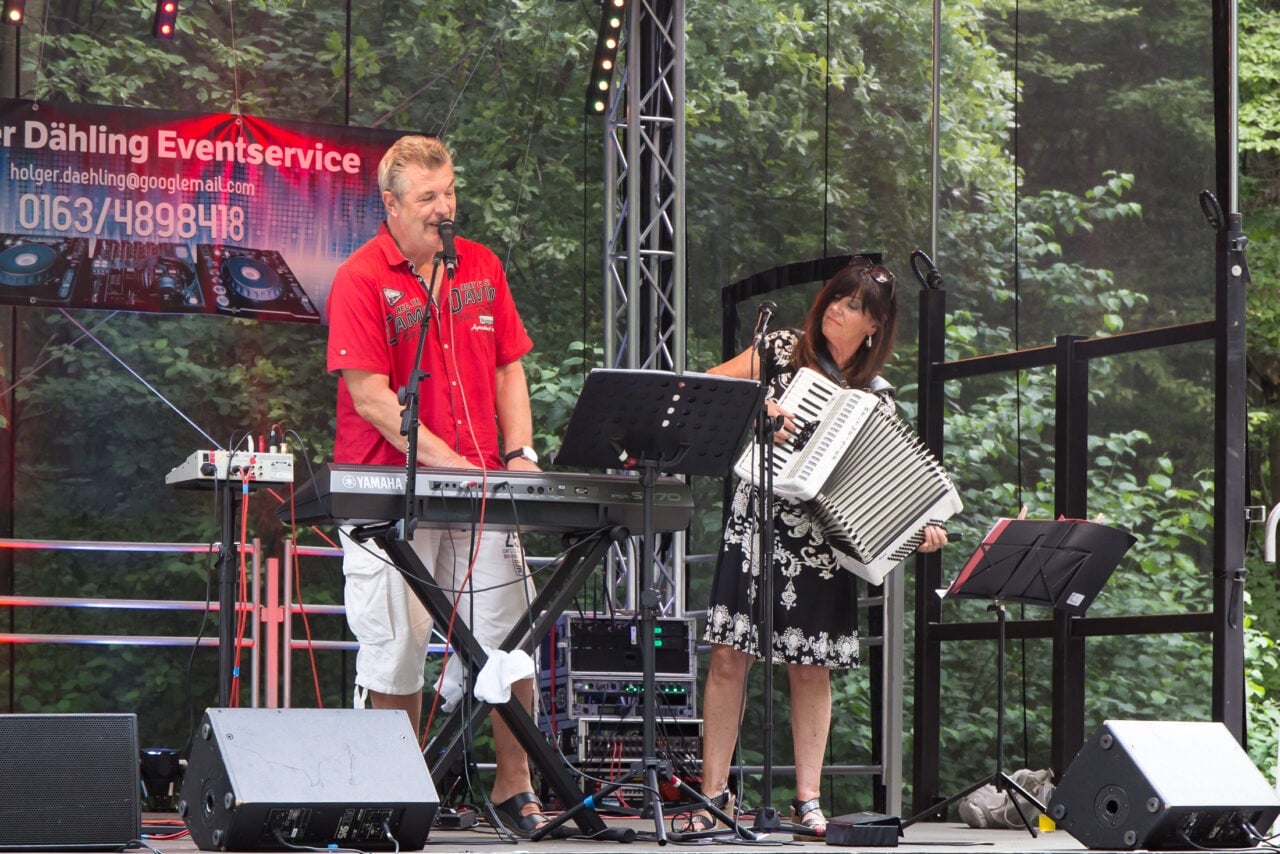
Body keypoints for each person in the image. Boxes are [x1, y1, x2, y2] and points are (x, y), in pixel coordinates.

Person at [325, 134, 549, 837]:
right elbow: (371, 399)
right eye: (428, 198)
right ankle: (395, 796)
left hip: (482, 490)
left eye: (450, 192)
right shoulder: (362, 278)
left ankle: (517, 788)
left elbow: (510, 366)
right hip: (389, 493)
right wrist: (450, 459)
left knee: (509, 639)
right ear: (390, 204)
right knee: (397, 646)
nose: (445, 209)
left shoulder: (481, 265)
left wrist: (519, 451)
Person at [679, 256, 948, 837]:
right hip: (756, 519)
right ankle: (714, 795)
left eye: (854, 307)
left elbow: (882, 493)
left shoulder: (875, 398)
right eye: (835, 298)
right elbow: (704, 389)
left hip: (820, 542)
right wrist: (760, 408)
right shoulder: (779, 349)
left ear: (874, 326)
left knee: (811, 666)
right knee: (728, 656)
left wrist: (916, 531)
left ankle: (807, 800)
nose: (836, 310)